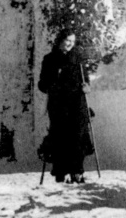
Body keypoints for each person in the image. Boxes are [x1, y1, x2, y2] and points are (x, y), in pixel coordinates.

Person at [38, 29, 93, 183]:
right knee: (61, 136)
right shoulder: (49, 59)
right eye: (67, 40)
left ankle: (77, 171)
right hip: (58, 104)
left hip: (77, 103)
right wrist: (50, 85)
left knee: (78, 136)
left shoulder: (79, 60)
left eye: (72, 41)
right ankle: (61, 172)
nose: (69, 44)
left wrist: (86, 87)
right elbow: (42, 84)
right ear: (60, 40)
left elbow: (87, 81)